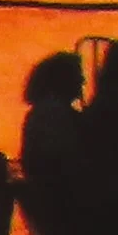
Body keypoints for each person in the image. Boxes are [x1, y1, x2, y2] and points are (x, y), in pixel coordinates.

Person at [19, 50, 86, 181]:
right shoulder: (51, 113)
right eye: (78, 76)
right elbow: (60, 158)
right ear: (63, 79)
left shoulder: (49, 110)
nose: (83, 81)